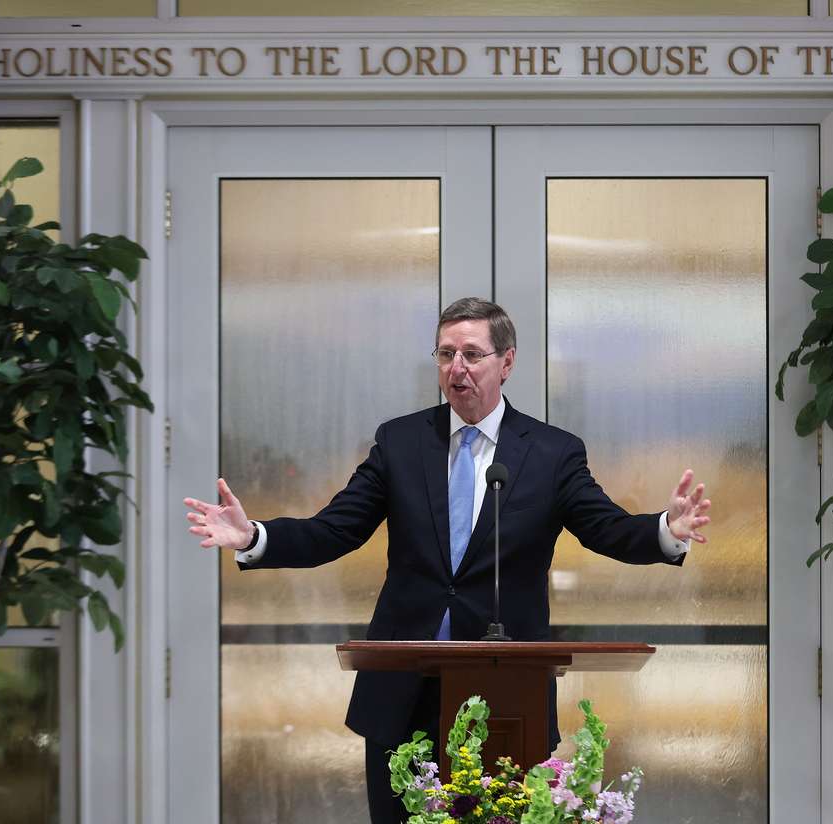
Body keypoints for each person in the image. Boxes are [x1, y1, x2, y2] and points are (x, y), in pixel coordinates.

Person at [183, 297, 711, 823]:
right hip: (401, 690)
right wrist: (254, 536)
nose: (457, 368)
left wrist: (665, 530)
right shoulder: (401, 441)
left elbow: (605, 528)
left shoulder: (552, 452)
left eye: (472, 354)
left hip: (506, 696)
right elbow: (335, 529)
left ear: (506, 362)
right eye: (445, 354)